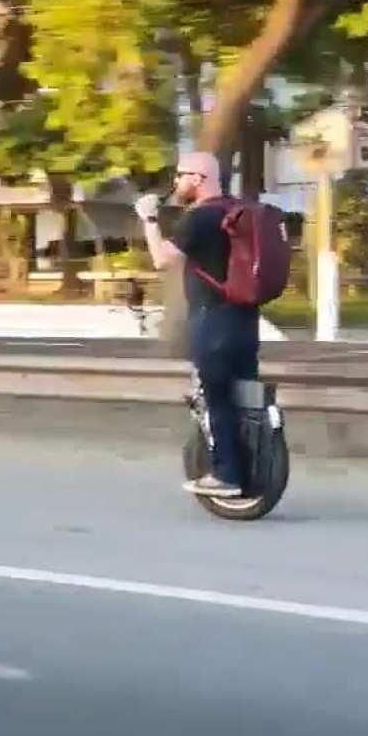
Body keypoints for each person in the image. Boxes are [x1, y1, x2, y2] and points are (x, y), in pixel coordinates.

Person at [135, 151, 259, 498]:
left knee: (216, 396)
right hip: (246, 319)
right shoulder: (238, 210)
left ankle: (228, 476)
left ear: (198, 179)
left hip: (212, 319)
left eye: (180, 175)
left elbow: (162, 259)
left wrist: (149, 219)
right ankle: (256, 470)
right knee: (246, 400)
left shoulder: (200, 218)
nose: (176, 182)